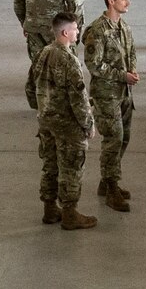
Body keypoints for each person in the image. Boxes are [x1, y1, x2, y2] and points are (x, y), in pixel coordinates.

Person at [31, 13, 96, 230]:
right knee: (71, 167)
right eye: (76, 29)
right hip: (67, 125)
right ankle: (69, 212)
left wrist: (42, 109)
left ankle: (49, 209)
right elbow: (78, 97)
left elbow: (30, 87)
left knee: (50, 165)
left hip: (46, 121)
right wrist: (87, 124)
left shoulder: (43, 54)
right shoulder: (69, 61)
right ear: (65, 33)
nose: (78, 32)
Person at [83, 0, 138, 213]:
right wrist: (121, 75)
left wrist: (132, 71)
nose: (128, 2)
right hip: (106, 94)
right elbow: (93, 65)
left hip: (124, 91)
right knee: (113, 139)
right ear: (110, 1)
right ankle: (111, 187)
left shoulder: (123, 26)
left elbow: (131, 52)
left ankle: (107, 182)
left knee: (124, 138)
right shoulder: (98, 30)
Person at [13, 0, 78, 108]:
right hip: (55, 28)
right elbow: (72, 1)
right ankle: (62, 99)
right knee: (61, 61)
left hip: (33, 26)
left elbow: (18, 2)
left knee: (38, 62)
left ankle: (38, 101)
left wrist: (24, 22)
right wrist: (71, 26)